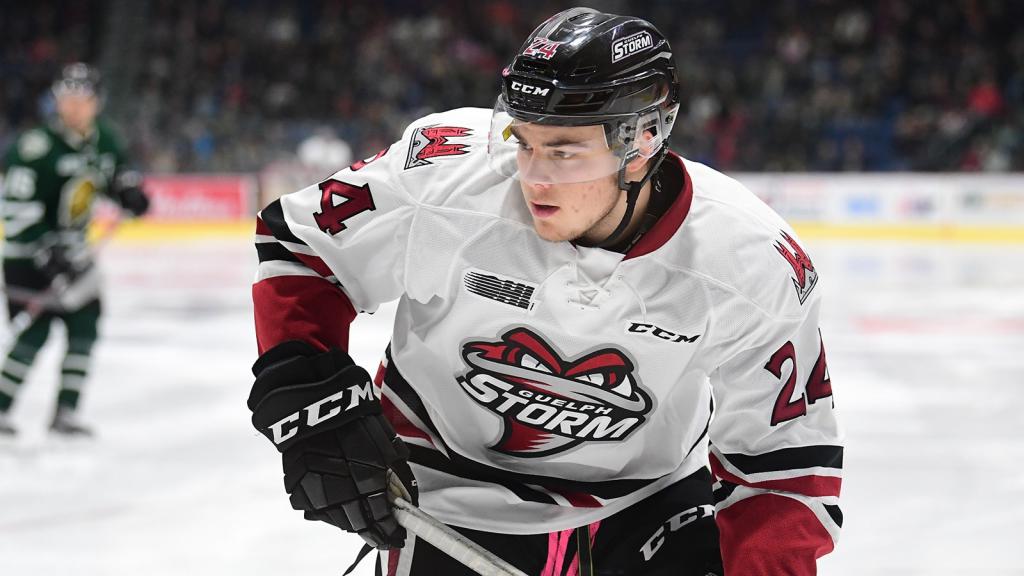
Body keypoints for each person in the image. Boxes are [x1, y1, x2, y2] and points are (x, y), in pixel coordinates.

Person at [249, 8, 842, 575]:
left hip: (646, 508)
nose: (532, 175)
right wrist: (313, 406)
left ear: (640, 143)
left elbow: (785, 466)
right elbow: (304, 247)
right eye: (524, 140)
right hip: (441, 486)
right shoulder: (444, 174)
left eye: (563, 151)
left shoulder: (751, 264)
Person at [0, 63, 150, 437]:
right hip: (27, 255)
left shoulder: (105, 140)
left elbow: (118, 175)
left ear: (97, 102)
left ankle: (65, 412)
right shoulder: (33, 147)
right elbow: (14, 207)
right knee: (33, 332)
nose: (74, 106)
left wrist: (129, 193)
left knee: (85, 325)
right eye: (66, 98)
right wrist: (45, 250)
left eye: (82, 98)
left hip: (76, 254)